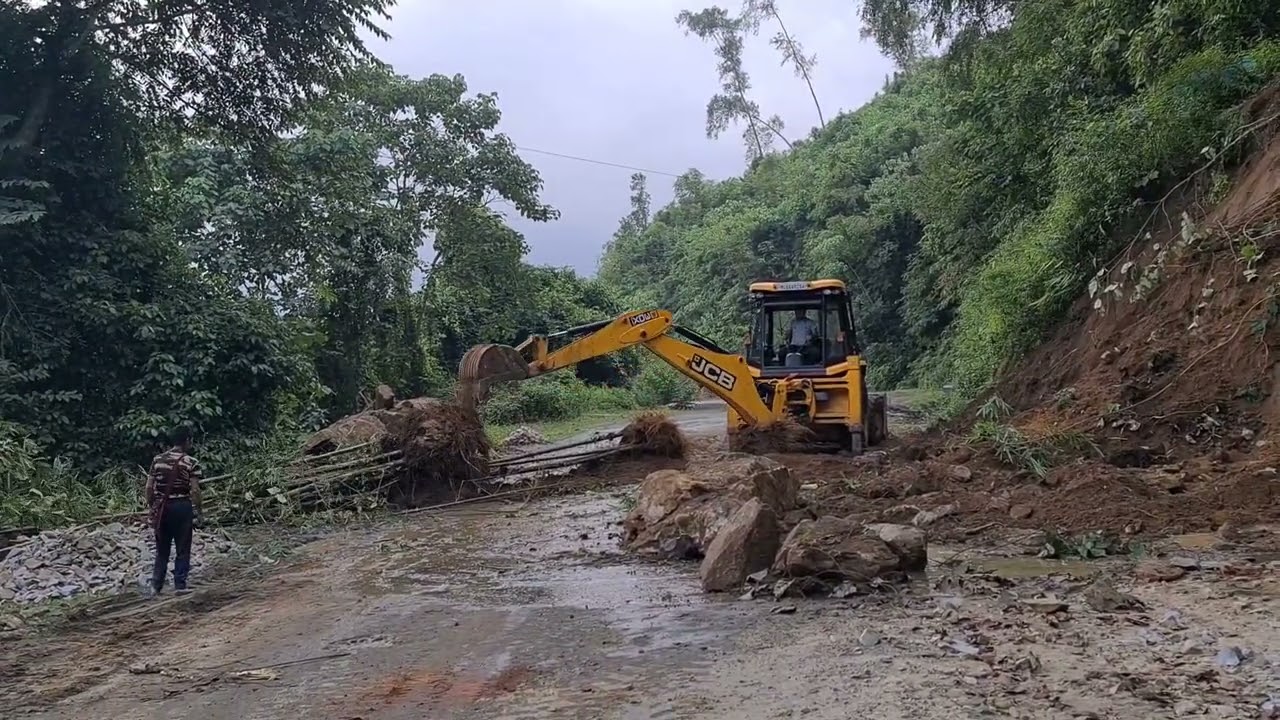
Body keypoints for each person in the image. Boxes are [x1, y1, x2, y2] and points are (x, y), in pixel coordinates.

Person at [145, 426, 203, 595]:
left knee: (162, 549)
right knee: (183, 547)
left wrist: (153, 507)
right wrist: (199, 511)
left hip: (163, 508)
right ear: (187, 441)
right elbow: (195, 490)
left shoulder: (157, 460)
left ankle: (156, 585)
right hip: (182, 506)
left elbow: (149, 488)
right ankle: (180, 585)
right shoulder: (191, 462)